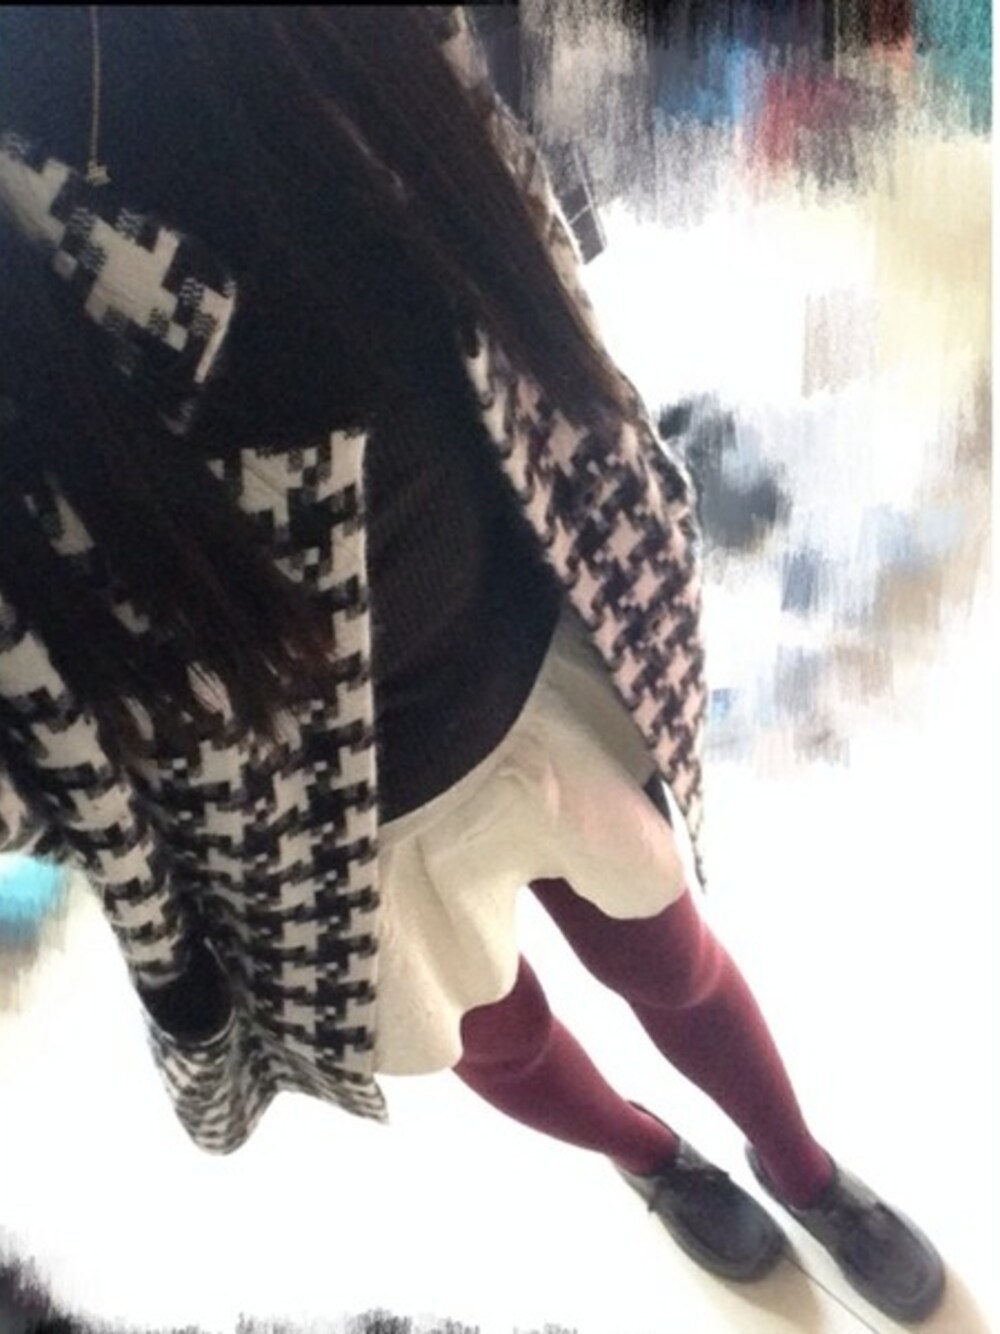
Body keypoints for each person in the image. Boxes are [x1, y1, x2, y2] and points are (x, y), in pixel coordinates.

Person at [0, 6, 943, 1324]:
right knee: (491, 1029)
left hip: (523, 645)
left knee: (670, 955)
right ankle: (651, 1160)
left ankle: (804, 1167)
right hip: (313, 832)